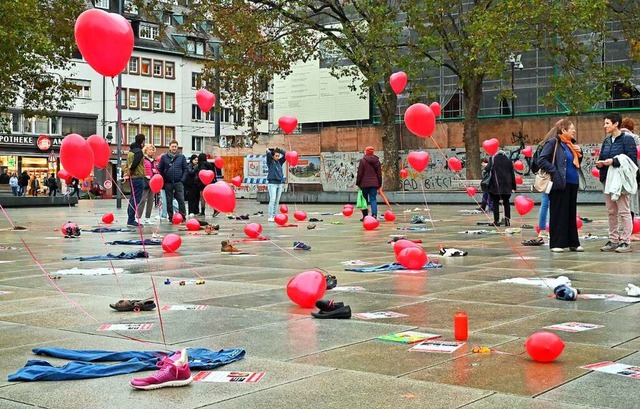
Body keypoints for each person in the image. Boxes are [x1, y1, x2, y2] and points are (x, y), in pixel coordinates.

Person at [537, 118, 584, 252]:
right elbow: (542, 159)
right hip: (559, 183)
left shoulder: (570, 144)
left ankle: (573, 242)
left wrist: (580, 153)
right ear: (563, 130)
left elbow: (574, 162)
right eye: (572, 128)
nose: (574, 130)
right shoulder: (554, 142)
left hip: (572, 183)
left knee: (570, 212)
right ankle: (557, 243)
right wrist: (554, 171)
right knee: (558, 213)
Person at [597, 112, 638, 253]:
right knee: (611, 211)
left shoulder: (627, 140)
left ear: (616, 124)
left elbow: (631, 161)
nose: (605, 126)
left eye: (607, 123)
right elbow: (602, 156)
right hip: (607, 179)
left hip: (620, 181)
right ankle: (613, 239)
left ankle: (625, 240)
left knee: (624, 210)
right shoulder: (607, 141)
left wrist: (614, 161)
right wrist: (600, 164)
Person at [158, 139, 188, 222]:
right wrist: (163, 180)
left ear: (177, 147)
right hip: (168, 182)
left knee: (181, 200)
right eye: (173, 146)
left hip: (179, 182)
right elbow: (160, 169)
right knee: (169, 201)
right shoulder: (164, 157)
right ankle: (171, 217)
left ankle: (183, 216)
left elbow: (186, 169)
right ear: (169, 147)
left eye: (175, 146)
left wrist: (182, 180)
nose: (174, 148)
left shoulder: (181, 157)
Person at [485, 150, 515, 226]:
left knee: (495, 203)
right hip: (507, 185)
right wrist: (513, 186)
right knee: (506, 203)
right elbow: (512, 174)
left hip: (495, 185)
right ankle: (507, 221)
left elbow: (487, 169)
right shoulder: (508, 160)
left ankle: (496, 221)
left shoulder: (493, 159)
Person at [620, 117, 640, 220]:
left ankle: (624, 223)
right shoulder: (635, 138)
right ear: (632, 127)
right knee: (633, 197)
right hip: (633, 171)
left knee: (622, 199)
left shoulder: (616, 137)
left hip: (619, 172)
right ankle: (632, 220)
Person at [356, 146, 382, 220]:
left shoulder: (363, 161)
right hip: (374, 184)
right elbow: (379, 174)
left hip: (364, 184)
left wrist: (358, 183)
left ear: (366, 152)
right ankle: (374, 215)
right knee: (373, 199)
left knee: (364, 200)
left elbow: (360, 173)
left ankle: (365, 216)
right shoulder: (377, 161)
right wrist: (379, 184)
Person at [125, 133, 146, 227]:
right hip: (137, 177)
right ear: (142, 142)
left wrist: (128, 172)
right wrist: (132, 170)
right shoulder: (139, 152)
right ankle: (131, 220)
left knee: (132, 198)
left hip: (132, 178)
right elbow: (135, 163)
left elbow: (127, 164)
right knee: (136, 199)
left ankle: (130, 218)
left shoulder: (130, 151)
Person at [136, 145, 157, 224]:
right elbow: (140, 169)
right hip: (145, 181)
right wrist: (144, 175)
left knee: (151, 200)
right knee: (143, 200)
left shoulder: (154, 161)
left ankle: (148, 218)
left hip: (153, 181)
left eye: (152, 150)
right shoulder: (143, 159)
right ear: (145, 150)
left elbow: (156, 170)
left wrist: (156, 171)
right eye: (150, 150)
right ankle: (138, 217)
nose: (151, 151)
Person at [266, 147, 286, 222]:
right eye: (276, 156)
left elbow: (286, 155)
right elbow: (268, 154)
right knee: (272, 200)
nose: (277, 157)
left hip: (279, 184)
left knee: (277, 201)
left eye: (278, 156)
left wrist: (280, 150)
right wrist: (270, 150)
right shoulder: (270, 162)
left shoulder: (280, 162)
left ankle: (275, 215)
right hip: (272, 184)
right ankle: (270, 216)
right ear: (273, 156)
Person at [196, 153, 219, 217]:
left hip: (202, 184)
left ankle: (203, 211)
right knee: (211, 198)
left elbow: (200, 174)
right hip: (211, 183)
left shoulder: (201, 165)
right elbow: (213, 174)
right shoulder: (210, 165)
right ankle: (215, 209)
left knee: (202, 198)